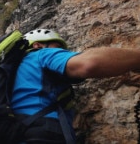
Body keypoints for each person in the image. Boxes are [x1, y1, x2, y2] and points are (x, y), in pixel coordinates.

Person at [11, 28, 140, 144]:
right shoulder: (40, 54)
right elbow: (89, 64)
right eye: (57, 47)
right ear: (37, 45)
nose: (61, 52)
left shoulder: (13, 73)